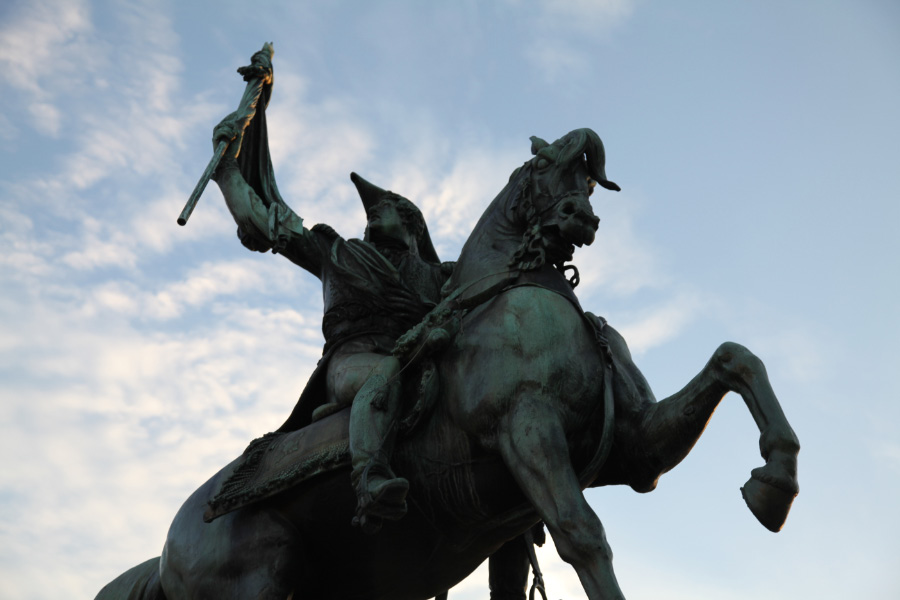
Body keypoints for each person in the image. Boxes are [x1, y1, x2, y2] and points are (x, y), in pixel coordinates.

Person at [211, 115, 450, 531]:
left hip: (423, 366)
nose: (373, 213)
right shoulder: (337, 252)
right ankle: (369, 479)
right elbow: (264, 217)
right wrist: (227, 170)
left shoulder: (441, 278)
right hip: (352, 363)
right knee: (386, 371)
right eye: (372, 211)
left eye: (385, 207)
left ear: (411, 221)